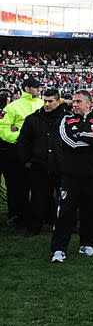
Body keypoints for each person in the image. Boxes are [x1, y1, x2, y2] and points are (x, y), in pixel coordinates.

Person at [50, 91, 93, 262]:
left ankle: (87, 244)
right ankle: (59, 249)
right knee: (65, 213)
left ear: (89, 104)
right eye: (73, 101)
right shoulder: (65, 120)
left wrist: (81, 134)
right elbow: (69, 142)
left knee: (92, 212)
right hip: (71, 175)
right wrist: (92, 137)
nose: (74, 104)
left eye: (79, 101)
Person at [17, 88, 66, 237]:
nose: (47, 104)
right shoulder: (32, 119)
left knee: (65, 197)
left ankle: (67, 224)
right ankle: (34, 226)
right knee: (38, 198)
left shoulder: (66, 119)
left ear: (58, 101)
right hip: (39, 165)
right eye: (45, 100)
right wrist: (27, 161)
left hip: (61, 166)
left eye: (50, 101)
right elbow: (23, 142)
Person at [0, 77, 43, 226]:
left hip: (38, 151)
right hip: (17, 152)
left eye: (39, 87)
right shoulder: (12, 107)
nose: (39, 89)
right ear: (26, 88)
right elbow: (3, 128)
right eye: (36, 87)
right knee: (17, 186)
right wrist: (19, 139)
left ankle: (36, 215)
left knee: (39, 186)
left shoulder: (43, 104)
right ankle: (17, 215)